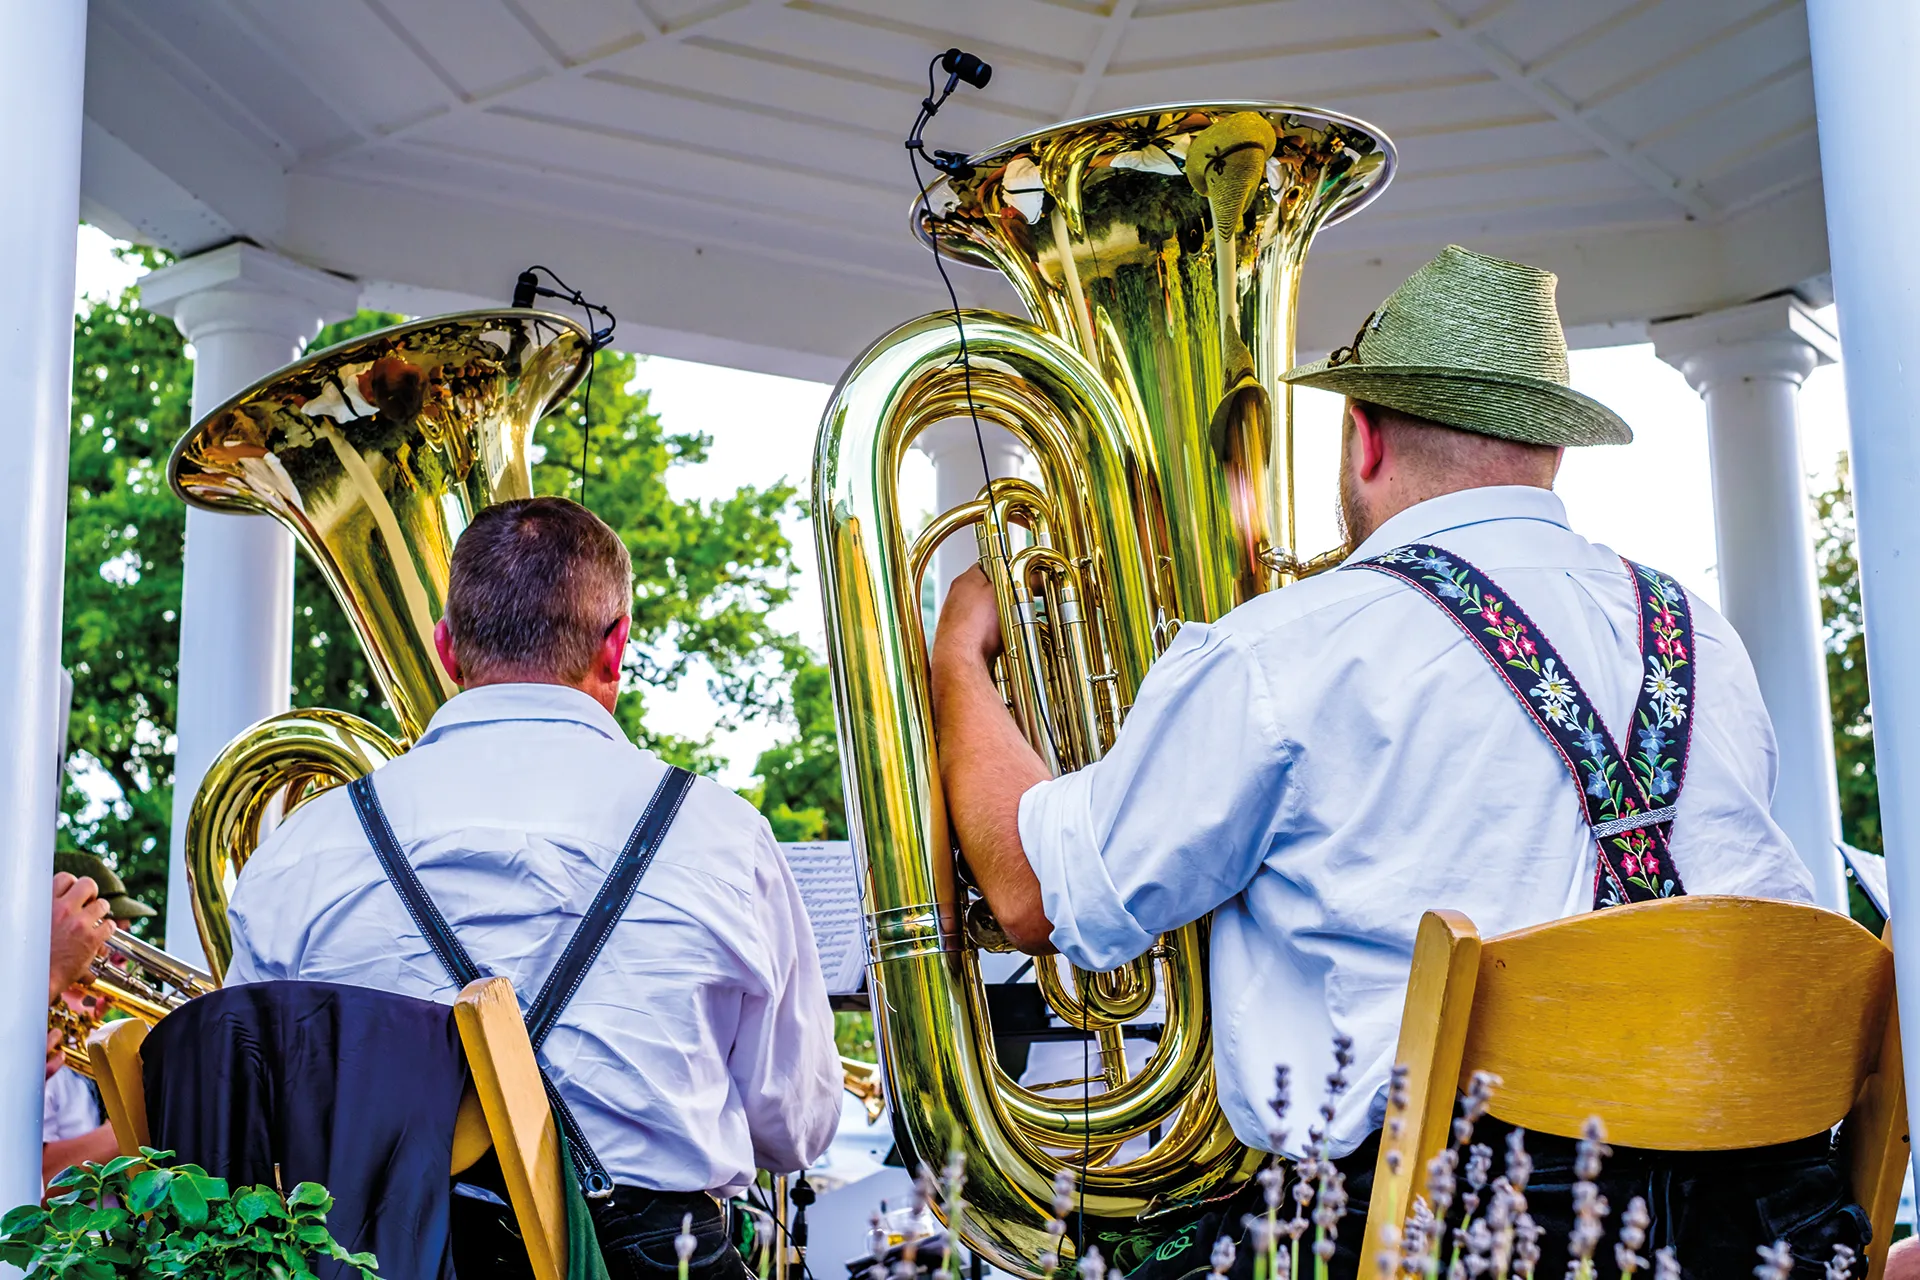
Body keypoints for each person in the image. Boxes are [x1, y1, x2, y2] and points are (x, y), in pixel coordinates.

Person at [930, 247, 1862, 1277]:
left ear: (1363, 435)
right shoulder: (1700, 631)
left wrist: (958, 660)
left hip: (1461, 1233)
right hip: (1780, 1223)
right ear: (1551, 449)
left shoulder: (1290, 645)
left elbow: (1030, 889)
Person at [226, 496, 841, 1278]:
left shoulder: (300, 847)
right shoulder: (723, 834)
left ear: (447, 649)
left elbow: (248, 1117)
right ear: (616, 646)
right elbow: (795, 1126)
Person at [44, 854, 154, 1188]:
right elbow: (36, 1177)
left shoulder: (85, 1027)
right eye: (108, 928)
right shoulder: (38, 1031)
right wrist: (141, 1113)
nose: (126, 950)